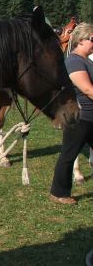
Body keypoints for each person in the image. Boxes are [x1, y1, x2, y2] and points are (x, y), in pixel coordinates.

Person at [50, 22, 93, 204]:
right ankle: (59, 193)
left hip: (90, 116)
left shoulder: (86, 60)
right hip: (80, 117)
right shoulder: (74, 61)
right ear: (81, 40)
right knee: (69, 154)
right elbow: (88, 89)